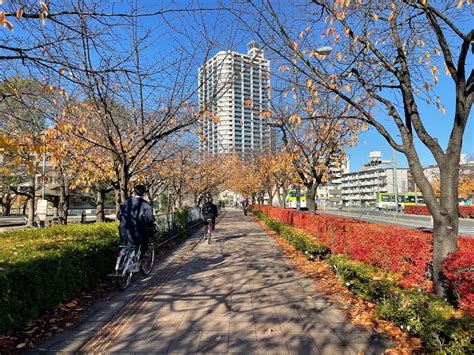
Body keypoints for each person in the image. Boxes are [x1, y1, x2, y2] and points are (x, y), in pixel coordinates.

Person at [117, 185, 155, 259]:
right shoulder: (145, 205)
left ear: (134, 192)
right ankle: (142, 254)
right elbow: (150, 219)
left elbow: (118, 216)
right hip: (138, 232)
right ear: (144, 194)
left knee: (124, 245)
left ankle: (120, 261)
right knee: (146, 237)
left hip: (123, 230)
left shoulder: (125, 203)